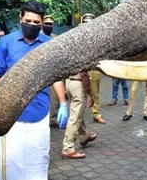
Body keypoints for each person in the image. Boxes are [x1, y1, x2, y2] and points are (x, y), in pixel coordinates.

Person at [0, 1, 68, 180]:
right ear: (20, 19)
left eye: (36, 22)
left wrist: (63, 102)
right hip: (9, 114)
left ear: (42, 23)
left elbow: (55, 77)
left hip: (38, 113)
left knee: (36, 161)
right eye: (28, 21)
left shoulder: (49, 45)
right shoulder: (6, 42)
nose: (31, 24)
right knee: (6, 162)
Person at [61, 15, 97, 159]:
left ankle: (83, 137)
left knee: (78, 111)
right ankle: (68, 147)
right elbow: (84, 74)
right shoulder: (85, 45)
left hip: (69, 82)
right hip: (77, 83)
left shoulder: (73, 40)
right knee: (75, 117)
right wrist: (90, 94)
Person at [80, 14, 107, 125]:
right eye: (86, 22)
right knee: (80, 93)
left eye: (90, 22)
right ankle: (79, 115)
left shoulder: (98, 37)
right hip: (81, 69)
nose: (88, 25)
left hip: (94, 67)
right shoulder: (80, 36)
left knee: (95, 92)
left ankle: (96, 114)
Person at [43, 14, 61, 128]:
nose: (49, 26)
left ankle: (53, 119)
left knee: (55, 99)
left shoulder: (56, 38)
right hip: (42, 73)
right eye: (46, 24)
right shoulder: (38, 37)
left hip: (54, 73)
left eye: (50, 24)